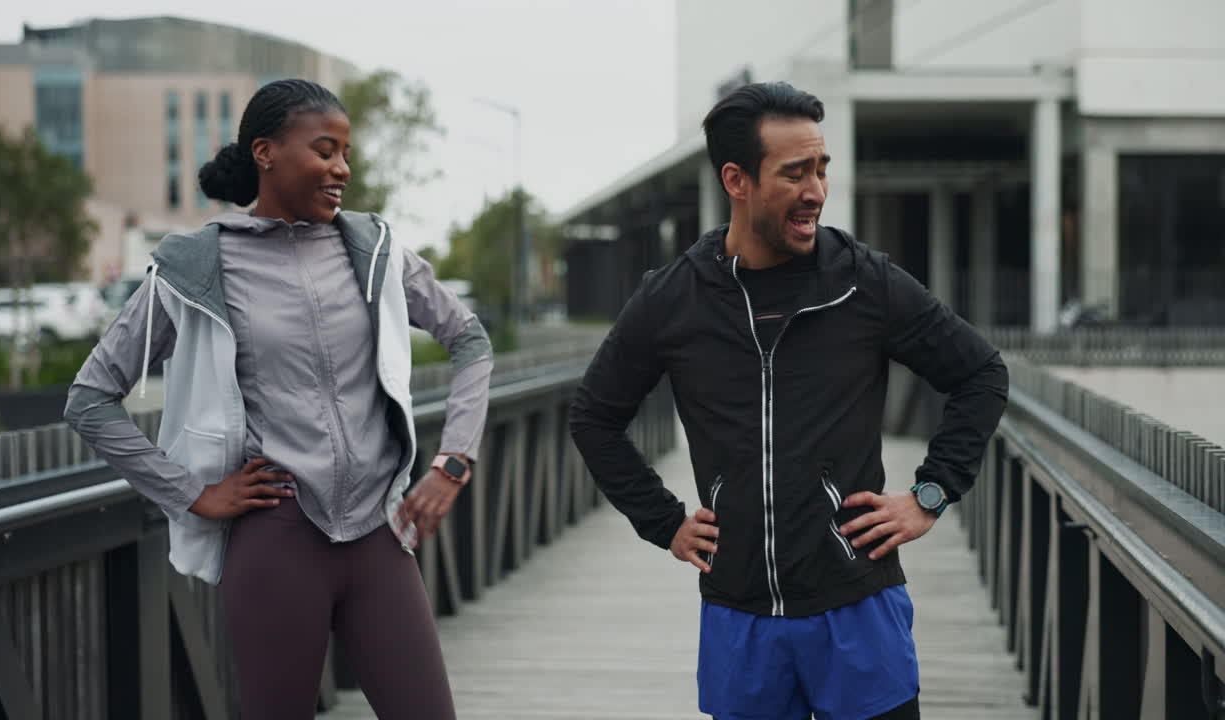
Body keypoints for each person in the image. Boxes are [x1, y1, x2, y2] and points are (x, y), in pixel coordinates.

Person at [569, 82, 1008, 720]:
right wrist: (662, 522)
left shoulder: (865, 281)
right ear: (737, 179)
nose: (816, 192)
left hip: (858, 609)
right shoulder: (673, 299)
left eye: (822, 169)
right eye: (794, 172)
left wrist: (931, 494)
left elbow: (981, 374)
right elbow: (594, 418)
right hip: (740, 619)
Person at [64, 79, 491, 720]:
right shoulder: (195, 266)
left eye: (346, 153)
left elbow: (470, 338)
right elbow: (91, 398)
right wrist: (191, 492)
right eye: (325, 150)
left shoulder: (373, 249)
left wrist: (453, 460)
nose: (341, 169)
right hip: (277, 542)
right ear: (266, 152)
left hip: (380, 536)